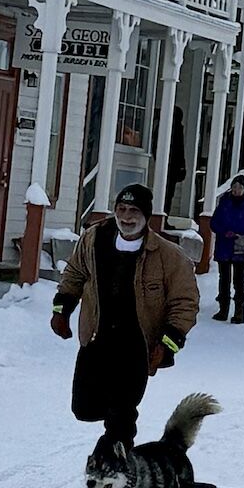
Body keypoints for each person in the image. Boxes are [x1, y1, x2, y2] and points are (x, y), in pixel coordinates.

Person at [49, 182, 199, 445]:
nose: (126, 217)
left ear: (146, 217)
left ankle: (121, 464)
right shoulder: (94, 239)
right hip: (97, 339)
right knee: (84, 409)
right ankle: (115, 434)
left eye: (134, 211)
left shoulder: (169, 256)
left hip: (136, 346)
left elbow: (185, 303)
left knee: (121, 414)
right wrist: (62, 310)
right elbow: (74, 274)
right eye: (121, 209)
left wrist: (168, 344)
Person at [209, 173, 244, 321]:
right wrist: (224, 232)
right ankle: (223, 310)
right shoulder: (224, 203)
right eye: (234, 187)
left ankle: (239, 312)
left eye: (240, 187)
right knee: (223, 279)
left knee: (239, 280)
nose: (237, 190)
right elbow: (214, 223)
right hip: (224, 245)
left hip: (240, 246)